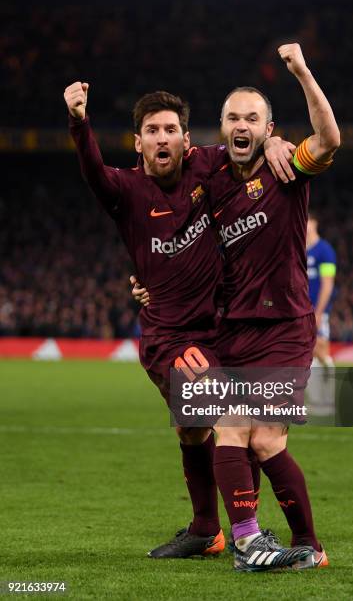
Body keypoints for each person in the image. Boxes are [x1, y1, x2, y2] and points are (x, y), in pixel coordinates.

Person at [64, 83, 309, 572]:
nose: (162, 138)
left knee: (195, 430)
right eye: (151, 131)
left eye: (170, 130)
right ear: (138, 142)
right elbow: (92, 171)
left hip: (219, 329)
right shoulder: (126, 189)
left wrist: (279, 143)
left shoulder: (207, 165)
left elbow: (249, 137)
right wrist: (79, 122)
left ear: (186, 140)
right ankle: (248, 539)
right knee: (233, 420)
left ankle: (207, 530)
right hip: (169, 339)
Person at [133, 43, 340, 572]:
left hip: (284, 326)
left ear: (269, 129)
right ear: (221, 126)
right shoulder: (209, 171)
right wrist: (149, 279)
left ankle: (274, 542)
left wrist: (300, 72)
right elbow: (166, 206)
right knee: (221, 426)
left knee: (260, 435)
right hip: (228, 328)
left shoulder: (287, 166)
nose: (241, 124)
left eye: (252, 118)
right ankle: (269, 543)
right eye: (233, 117)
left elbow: (330, 139)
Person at [306, 210, 337, 414]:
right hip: (301, 313)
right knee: (307, 356)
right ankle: (316, 402)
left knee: (322, 351)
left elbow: (328, 284)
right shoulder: (299, 249)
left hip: (317, 312)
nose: (305, 224)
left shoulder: (325, 250)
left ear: (315, 223)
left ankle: (331, 398)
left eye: (308, 221)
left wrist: (319, 312)